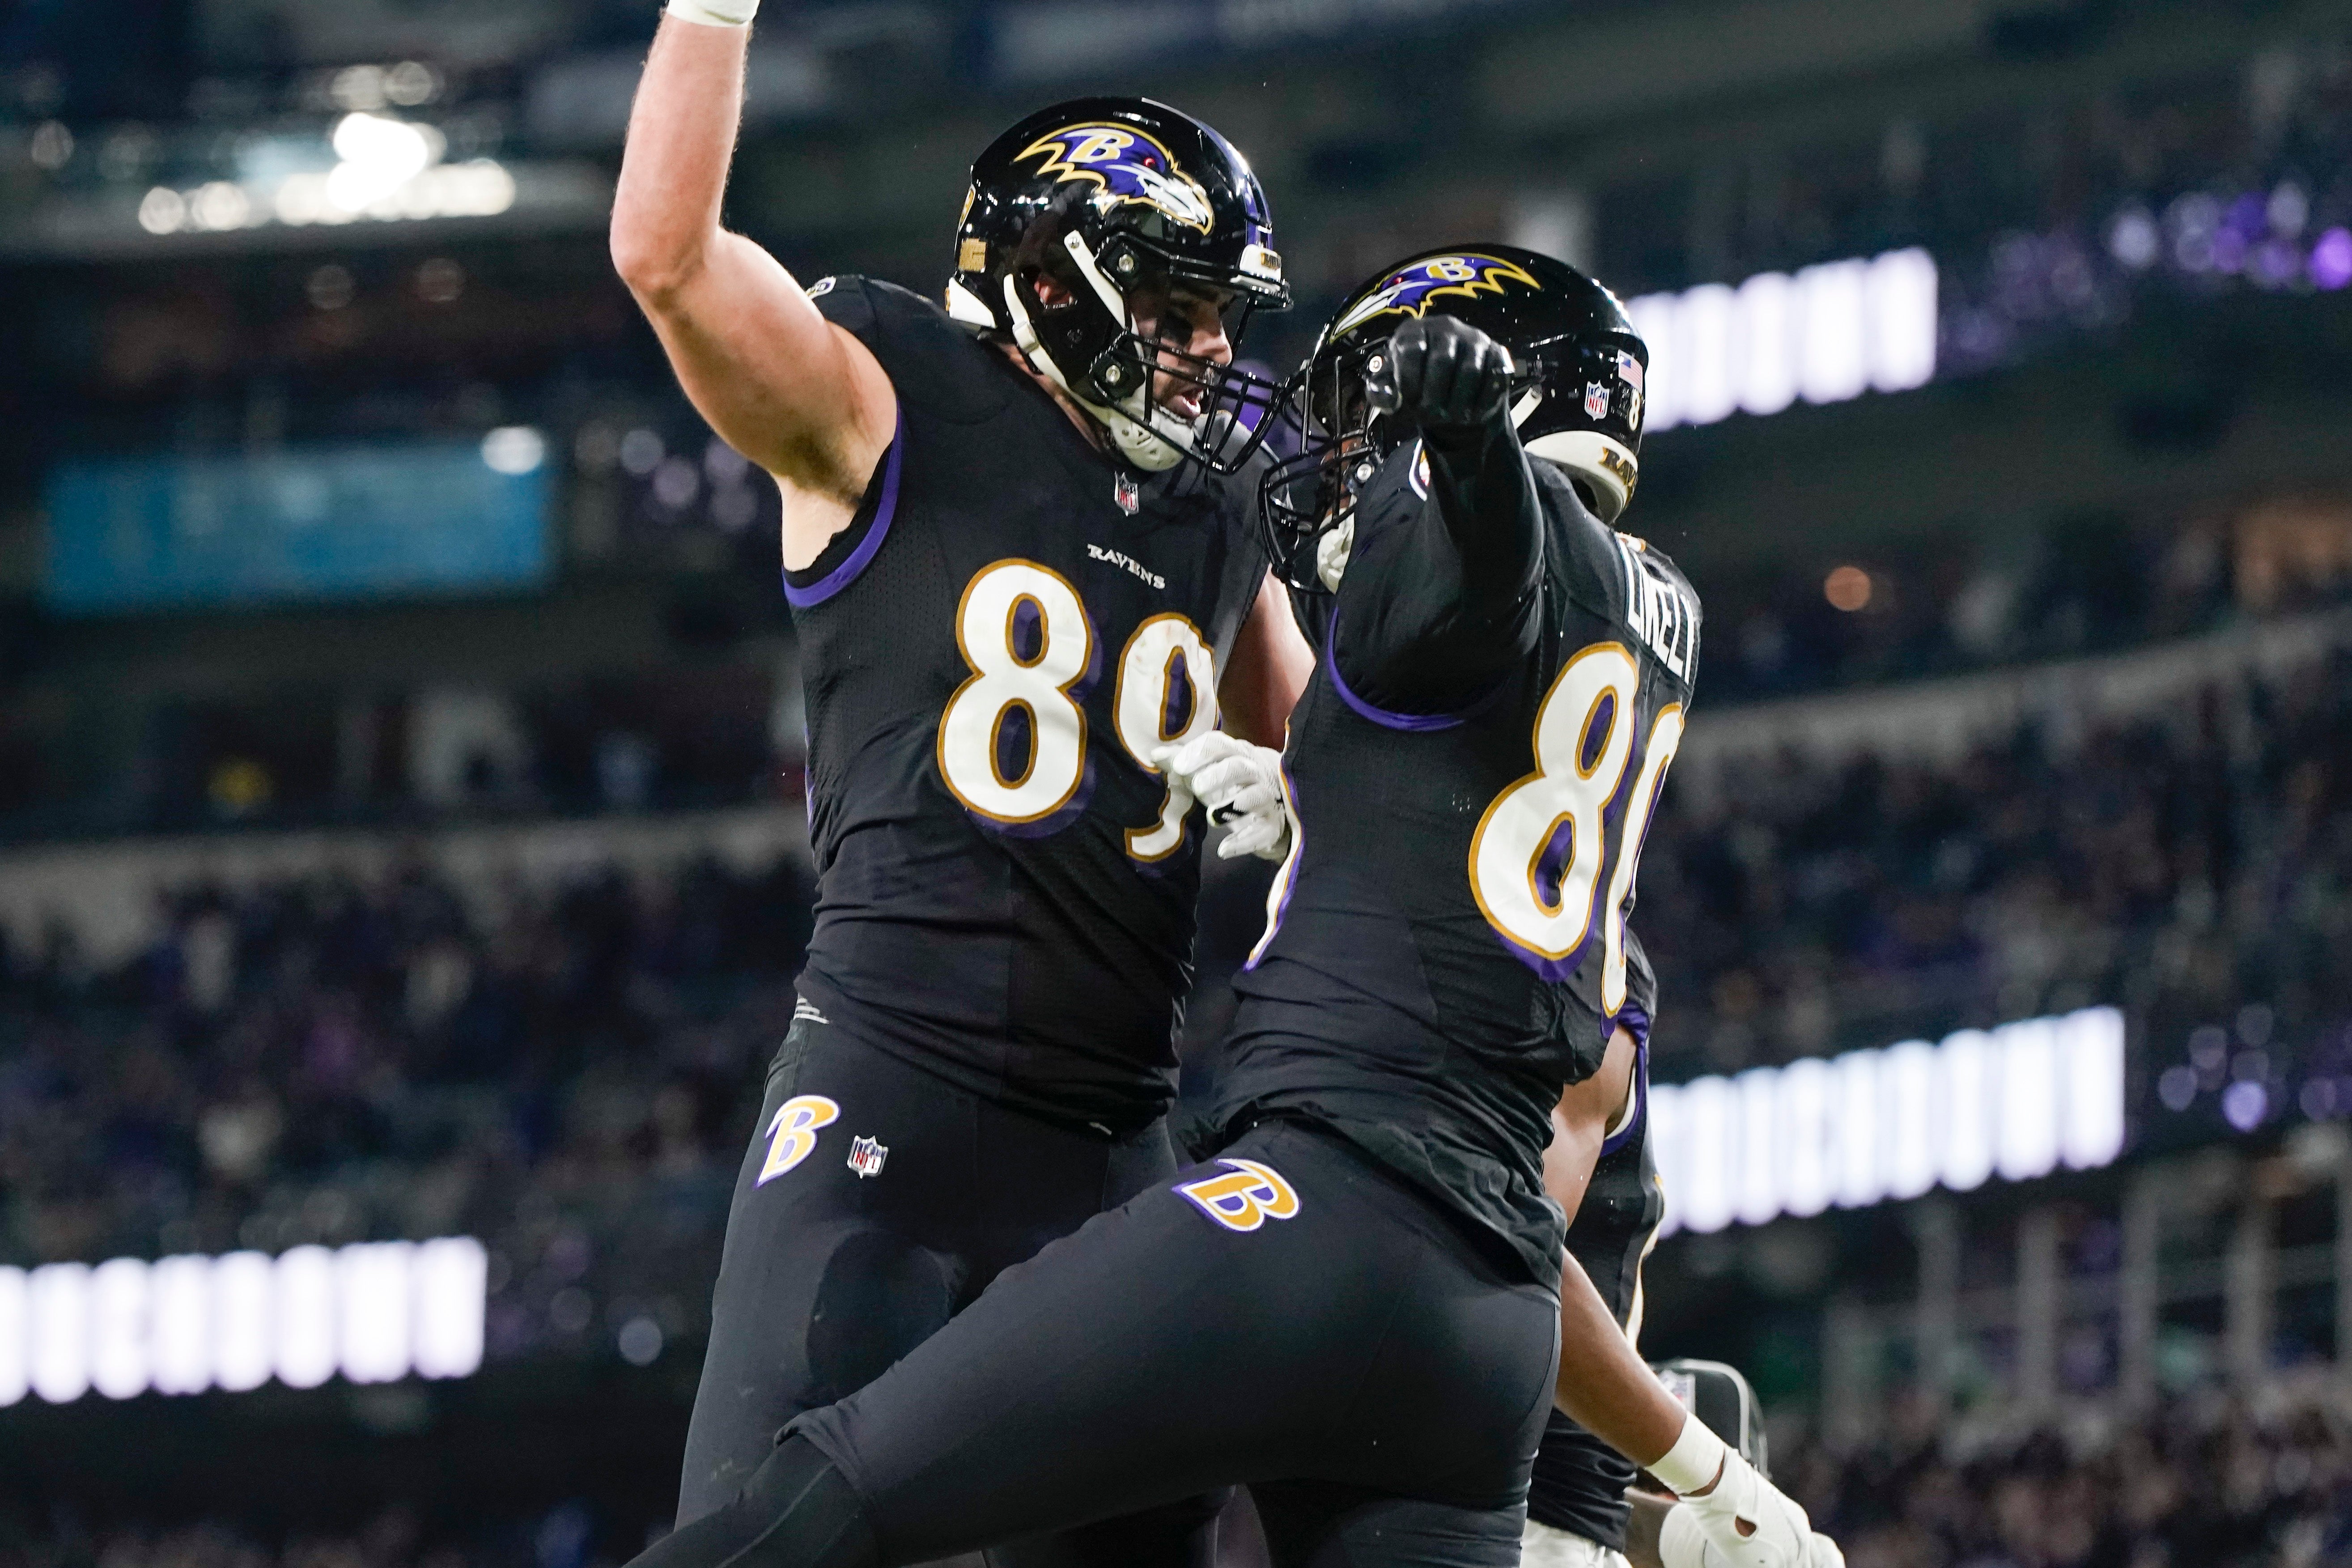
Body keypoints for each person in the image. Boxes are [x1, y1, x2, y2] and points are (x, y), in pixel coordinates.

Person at [606, 246, 1832, 1568]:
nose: (1347, 466)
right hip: (1487, 1355)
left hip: (1311, 1227)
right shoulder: (1648, 640)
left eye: (1374, 429)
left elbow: (1489, 573)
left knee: (828, 1496)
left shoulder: (1472, 560)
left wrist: (1471, 454)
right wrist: (1696, 1465)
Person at [608, 0, 1315, 1557]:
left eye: (1223, 315)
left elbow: (1322, 777)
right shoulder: (886, 394)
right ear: (1059, 280)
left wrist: (1301, 789)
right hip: (890, 1104)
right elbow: (666, 255)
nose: (1212, 349)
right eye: (1181, 304)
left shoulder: (1221, 509)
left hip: (1119, 1145)